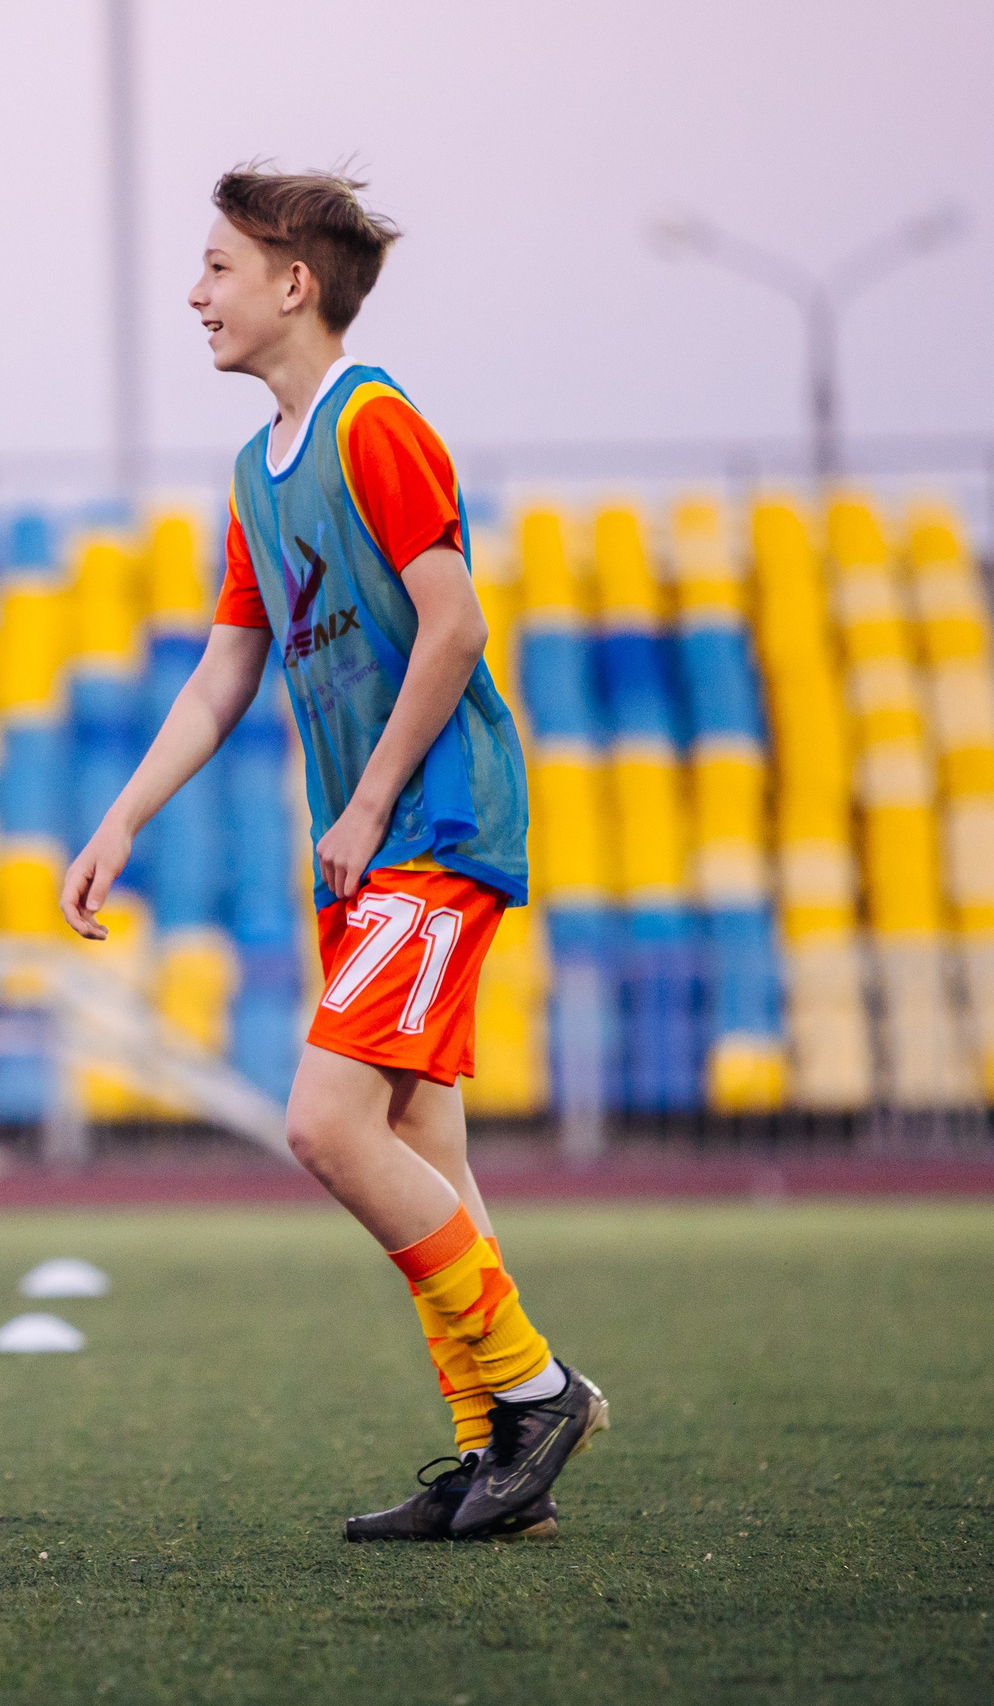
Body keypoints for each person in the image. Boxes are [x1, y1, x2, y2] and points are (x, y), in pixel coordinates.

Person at [61, 167, 607, 1542]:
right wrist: (122, 819)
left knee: (324, 1123)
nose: (195, 294)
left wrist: (363, 807)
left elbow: (457, 628)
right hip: (371, 850)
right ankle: (498, 1463)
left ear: (292, 284)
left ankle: (536, 1396)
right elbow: (220, 675)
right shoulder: (258, 471)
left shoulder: (377, 425)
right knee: (420, 1138)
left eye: (217, 268)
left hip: (433, 828)